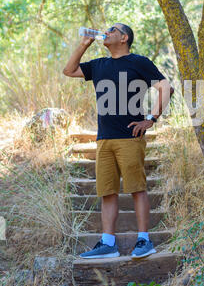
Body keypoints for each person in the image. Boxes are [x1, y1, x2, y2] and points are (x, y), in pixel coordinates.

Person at [63, 23, 174, 259]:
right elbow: (69, 70)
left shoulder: (139, 62)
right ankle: (108, 243)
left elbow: (166, 86)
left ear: (124, 38)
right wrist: (84, 44)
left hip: (130, 137)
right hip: (104, 139)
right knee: (108, 192)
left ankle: (144, 240)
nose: (107, 32)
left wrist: (151, 119)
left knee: (137, 188)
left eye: (112, 29)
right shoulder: (99, 65)